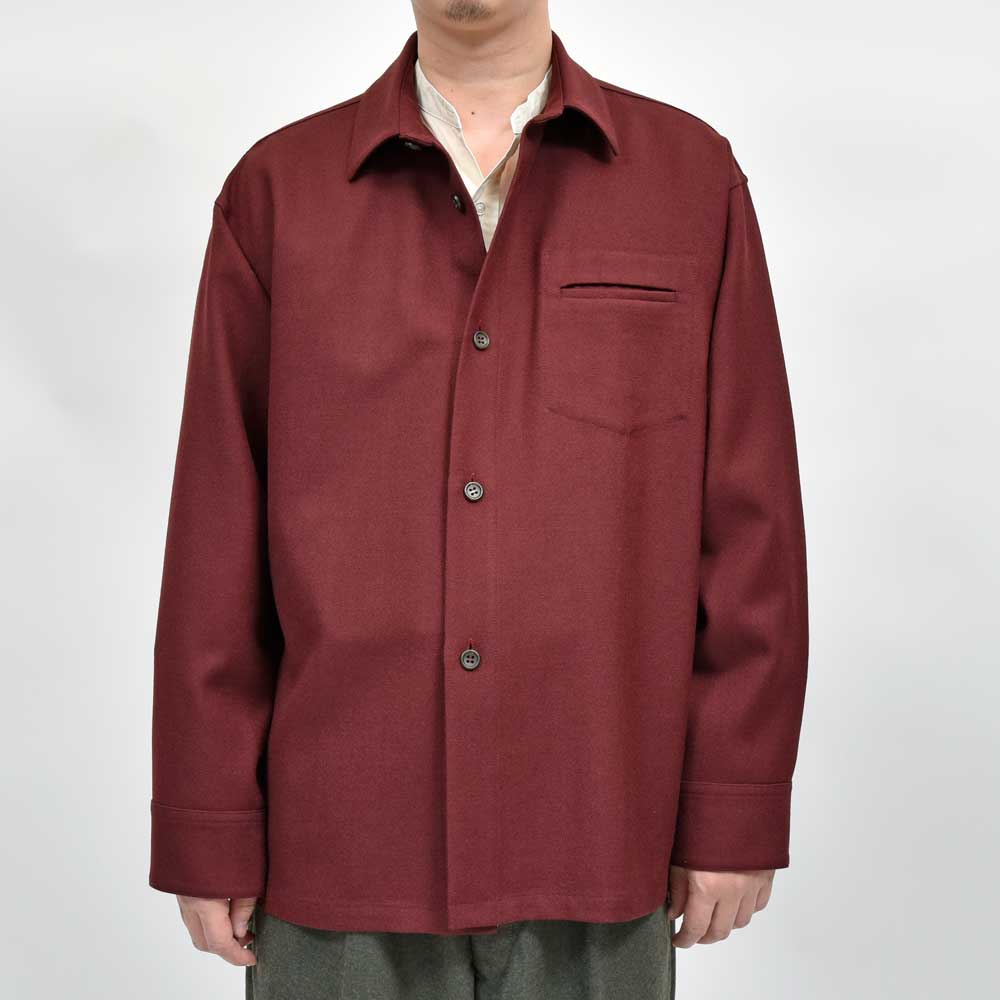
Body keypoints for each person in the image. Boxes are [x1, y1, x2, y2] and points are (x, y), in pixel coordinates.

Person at [149, 2, 809, 996]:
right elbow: (217, 525)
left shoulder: (688, 180)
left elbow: (750, 517)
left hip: (599, 828)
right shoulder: (279, 190)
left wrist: (734, 807)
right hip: (342, 844)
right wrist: (209, 824)